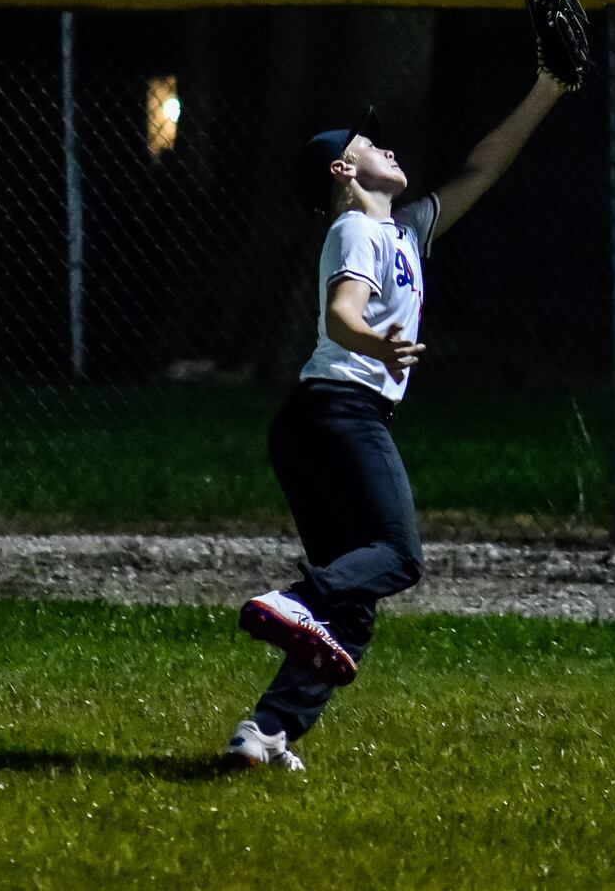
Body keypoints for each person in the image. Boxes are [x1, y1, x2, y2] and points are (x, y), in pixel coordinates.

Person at [222, 70, 570, 771]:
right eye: (371, 143)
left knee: (353, 611)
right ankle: (294, 600)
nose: (390, 147)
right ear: (343, 169)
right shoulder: (357, 228)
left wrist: (548, 88)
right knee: (400, 556)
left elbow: (483, 165)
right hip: (341, 412)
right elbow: (345, 312)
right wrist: (378, 342)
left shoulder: (403, 230)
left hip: (315, 424)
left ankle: (264, 733)